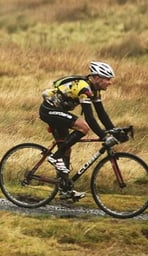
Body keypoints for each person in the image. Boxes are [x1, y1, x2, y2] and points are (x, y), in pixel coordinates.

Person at [38, 61, 124, 200]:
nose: (110, 82)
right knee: (83, 127)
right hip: (49, 110)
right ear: (96, 78)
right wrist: (104, 136)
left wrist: (114, 130)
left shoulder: (94, 90)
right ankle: (55, 157)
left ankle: (64, 189)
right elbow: (90, 118)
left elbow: (101, 113)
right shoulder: (84, 88)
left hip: (59, 111)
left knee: (67, 148)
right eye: (107, 79)